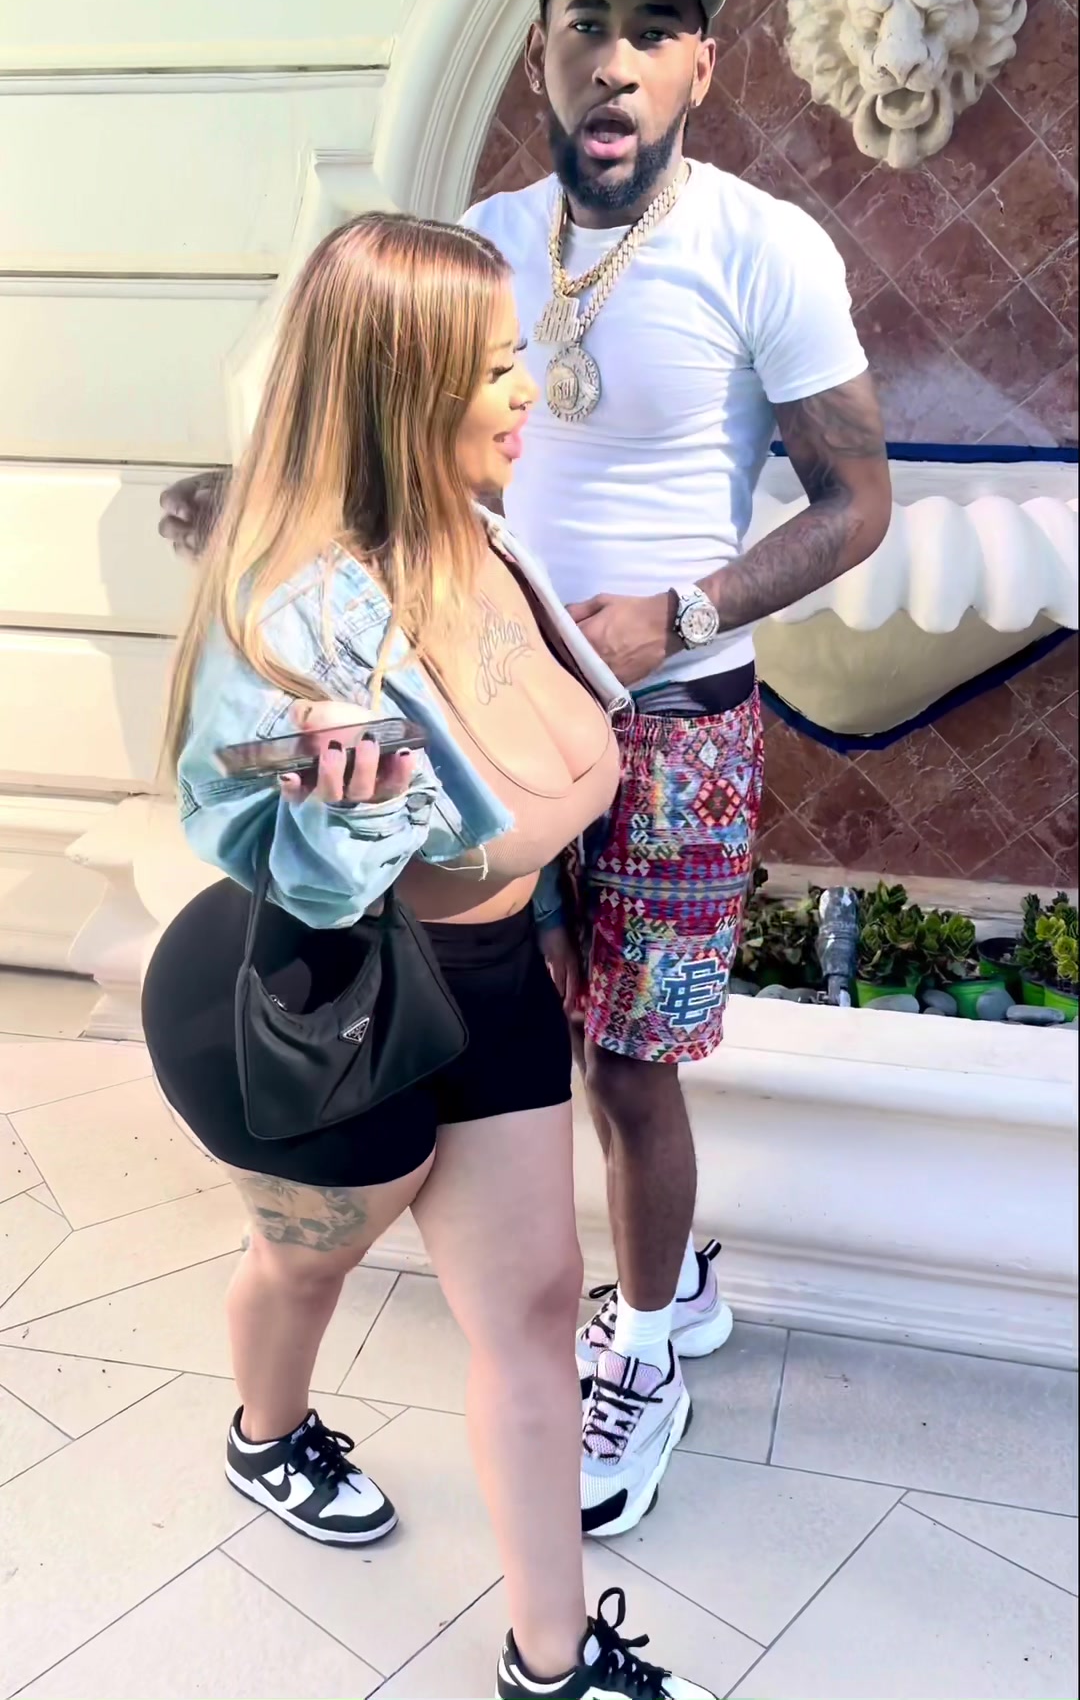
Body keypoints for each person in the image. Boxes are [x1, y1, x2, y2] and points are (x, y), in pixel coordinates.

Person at [160, 0, 893, 1537]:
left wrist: (680, 612)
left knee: (632, 1064)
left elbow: (860, 503)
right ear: (541, 51)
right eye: (586, 22)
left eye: (654, 26)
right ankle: (586, 1287)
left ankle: (648, 1338)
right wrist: (263, 531)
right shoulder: (482, 240)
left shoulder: (765, 245)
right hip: (482, 714)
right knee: (517, 1022)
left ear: (704, 64)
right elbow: (368, 425)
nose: (615, 57)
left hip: (677, 724)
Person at [144, 211, 716, 1699]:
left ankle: (552, 1661)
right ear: (397, 387)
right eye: (491, 368)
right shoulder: (301, 618)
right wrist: (342, 810)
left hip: (495, 978)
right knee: (304, 1263)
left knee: (531, 1310)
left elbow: (543, 758)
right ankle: (267, 1432)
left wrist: (566, 912)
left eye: (520, 354)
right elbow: (294, 857)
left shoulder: (480, 532)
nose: (527, 394)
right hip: (346, 999)